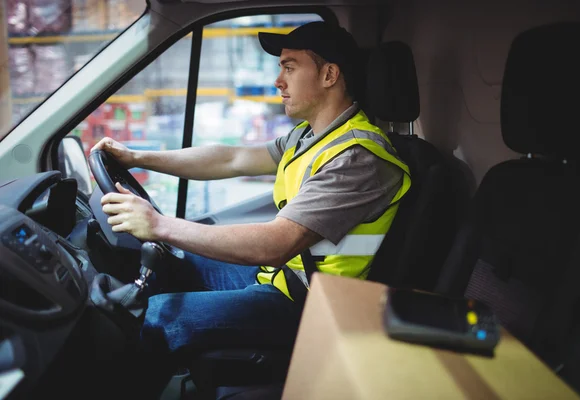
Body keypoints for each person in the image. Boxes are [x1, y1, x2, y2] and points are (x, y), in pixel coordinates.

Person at [92, 21, 411, 397]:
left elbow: (275, 244)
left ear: (329, 74)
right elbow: (232, 158)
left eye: (289, 67)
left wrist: (159, 224)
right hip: (287, 280)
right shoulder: (310, 136)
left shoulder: (357, 156)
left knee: (162, 316)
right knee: (174, 260)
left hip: (314, 306)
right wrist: (137, 157)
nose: (278, 80)